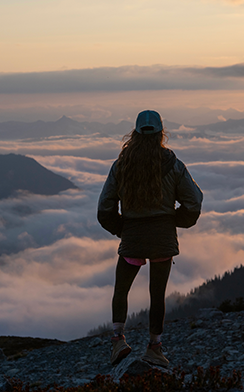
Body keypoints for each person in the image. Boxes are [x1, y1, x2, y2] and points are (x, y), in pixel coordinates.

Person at [97, 110, 203, 367]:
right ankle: (155, 348)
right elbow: (194, 201)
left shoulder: (121, 166)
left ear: (134, 133)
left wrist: (122, 229)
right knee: (157, 294)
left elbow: (104, 209)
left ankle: (118, 341)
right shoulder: (173, 165)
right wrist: (174, 221)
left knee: (121, 289)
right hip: (162, 239)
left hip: (132, 235)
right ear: (160, 134)